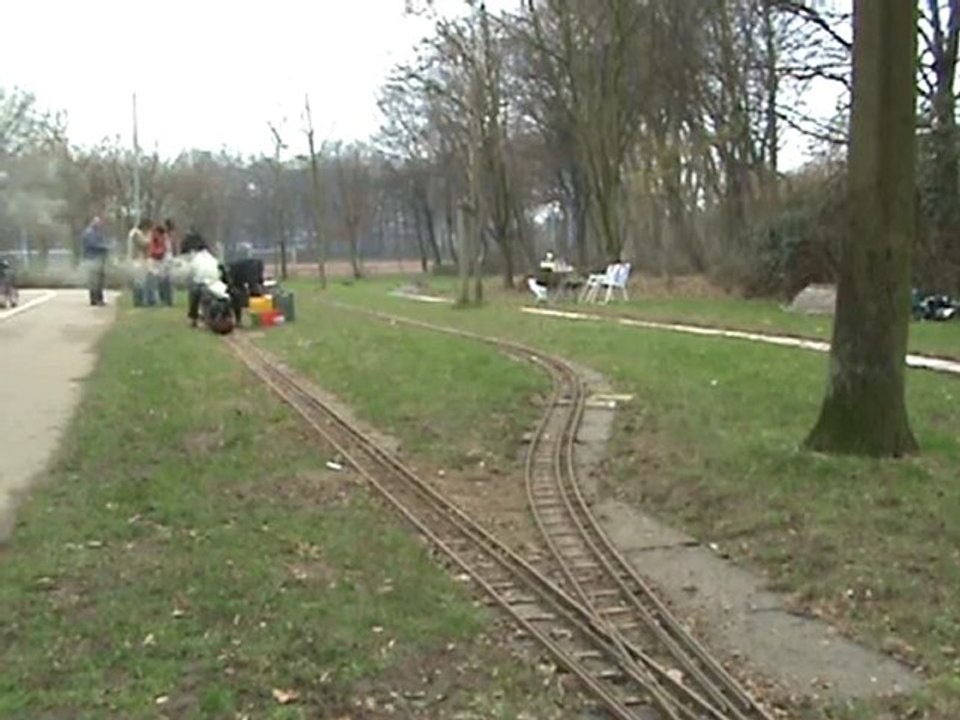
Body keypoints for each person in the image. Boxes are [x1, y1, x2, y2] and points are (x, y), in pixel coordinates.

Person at [81, 216, 109, 306]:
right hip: (93, 258)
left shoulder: (97, 232)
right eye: (97, 222)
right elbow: (93, 245)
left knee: (97, 280)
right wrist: (105, 247)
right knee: (95, 280)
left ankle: (96, 299)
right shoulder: (89, 233)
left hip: (97, 259)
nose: (99, 224)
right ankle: (96, 299)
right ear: (93, 222)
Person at [127, 218, 151, 306]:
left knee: (140, 281)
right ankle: (138, 301)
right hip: (136, 258)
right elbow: (142, 244)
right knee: (139, 281)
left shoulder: (134, 233)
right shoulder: (136, 234)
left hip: (137, 258)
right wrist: (150, 241)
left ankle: (139, 300)